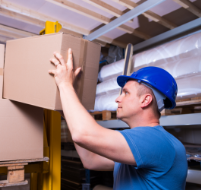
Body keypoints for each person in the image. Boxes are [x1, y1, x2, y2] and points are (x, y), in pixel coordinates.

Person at [48, 48, 188, 190]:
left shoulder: (156, 141)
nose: (117, 99)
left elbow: (82, 134)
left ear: (146, 100)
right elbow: (90, 159)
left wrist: (65, 84)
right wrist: (67, 111)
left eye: (126, 93)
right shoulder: (137, 147)